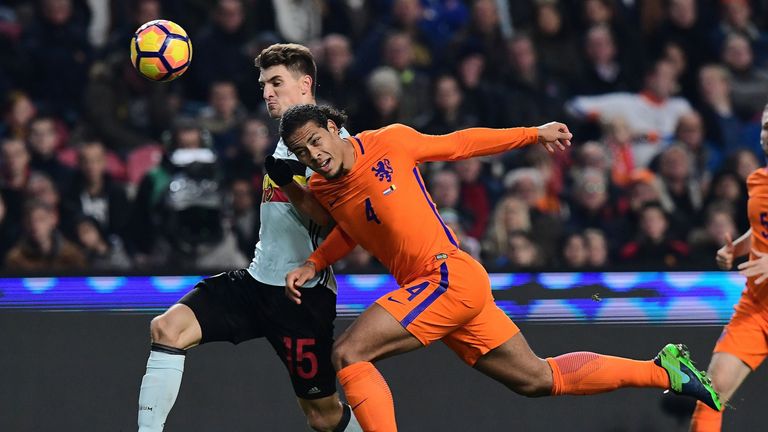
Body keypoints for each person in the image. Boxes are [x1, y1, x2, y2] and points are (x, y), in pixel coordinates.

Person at [280, 104, 721, 431]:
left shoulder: (389, 141)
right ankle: (664, 370)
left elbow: (462, 143)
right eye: (302, 152)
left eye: (316, 141)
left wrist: (533, 133)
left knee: (348, 353)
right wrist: (315, 261)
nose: (314, 155)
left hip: (446, 277)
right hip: (439, 291)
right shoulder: (324, 187)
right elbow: (358, 225)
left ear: (333, 127)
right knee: (536, 378)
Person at [136, 44, 361, 432]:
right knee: (167, 328)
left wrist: (290, 184)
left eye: (276, 82)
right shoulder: (285, 137)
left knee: (323, 416)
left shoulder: (332, 139)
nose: (267, 92)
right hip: (257, 282)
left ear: (305, 84)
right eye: (263, 85)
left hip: (302, 297)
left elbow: (337, 222)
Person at [689, 103, 768, 431]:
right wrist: (735, 248)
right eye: (766, 127)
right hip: (757, 307)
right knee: (711, 392)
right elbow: (760, 229)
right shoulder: (757, 180)